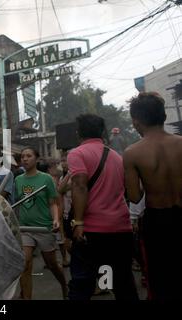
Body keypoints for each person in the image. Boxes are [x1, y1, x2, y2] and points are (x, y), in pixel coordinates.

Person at [67, 114, 138, 300]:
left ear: (78, 132)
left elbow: (80, 185)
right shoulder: (117, 157)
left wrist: (79, 222)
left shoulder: (77, 153)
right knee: (123, 283)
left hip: (92, 231)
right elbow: (131, 193)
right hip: (121, 229)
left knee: (82, 285)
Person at [123, 92, 182, 300]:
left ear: (136, 121)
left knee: (161, 279)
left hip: (157, 221)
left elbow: (135, 196)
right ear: (163, 116)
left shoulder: (132, 153)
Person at [15, 147, 68, 300]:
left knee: (52, 264)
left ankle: (64, 285)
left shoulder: (46, 179)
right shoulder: (18, 180)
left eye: (28, 156)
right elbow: (18, 204)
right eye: (23, 156)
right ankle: (26, 296)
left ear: (36, 159)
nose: (24, 159)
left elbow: (53, 203)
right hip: (25, 228)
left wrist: (56, 220)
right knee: (25, 264)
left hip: (44, 228)